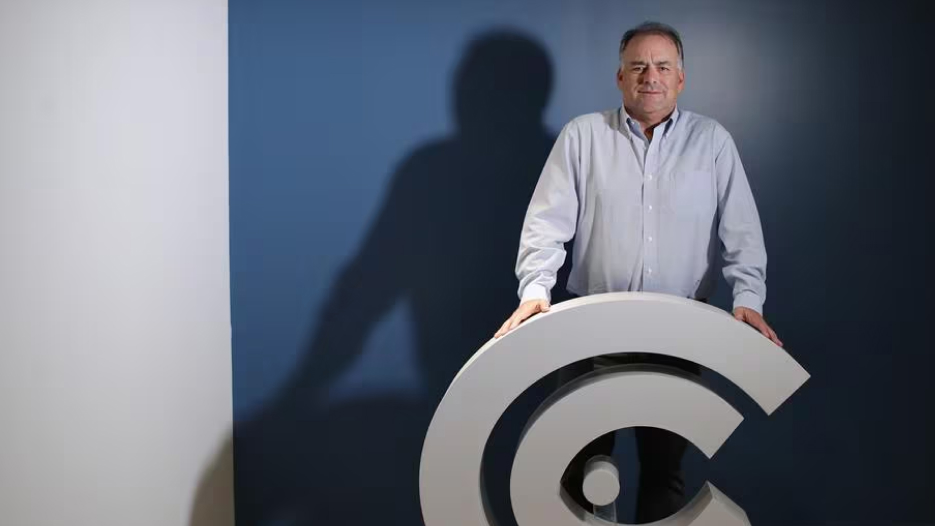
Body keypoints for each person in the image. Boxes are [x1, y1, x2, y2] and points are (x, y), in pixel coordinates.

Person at [493, 21, 783, 523]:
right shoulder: (583, 136)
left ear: (681, 79)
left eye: (663, 67)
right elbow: (546, 223)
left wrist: (748, 300)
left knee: (664, 473)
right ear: (620, 77)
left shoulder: (711, 142)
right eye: (639, 66)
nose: (651, 77)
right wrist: (535, 290)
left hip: (680, 335)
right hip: (589, 333)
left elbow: (742, 232)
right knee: (576, 469)